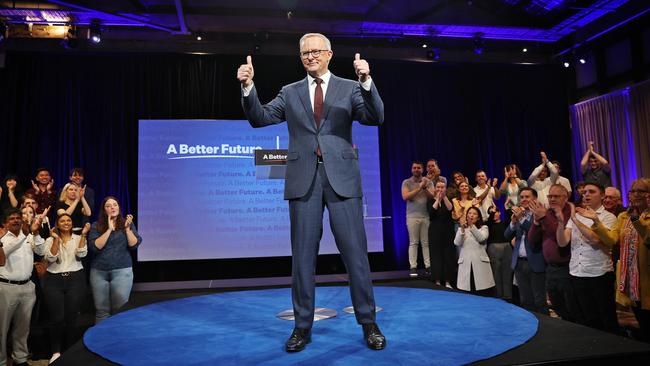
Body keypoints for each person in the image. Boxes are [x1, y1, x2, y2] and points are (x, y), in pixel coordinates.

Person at [237, 32, 385, 351]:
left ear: (330, 54)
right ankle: (302, 326)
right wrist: (248, 88)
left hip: (342, 179)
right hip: (304, 179)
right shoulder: (289, 92)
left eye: (316, 51)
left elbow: (375, 117)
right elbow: (260, 118)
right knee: (303, 258)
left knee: (356, 256)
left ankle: (369, 321)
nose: (310, 57)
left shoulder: (350, 87)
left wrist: (367, 80)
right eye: (305, 53)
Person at [579, 179, 650, 340]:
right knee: (642, 322)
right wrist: (596, 221)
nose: (635, 194)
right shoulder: (624, 216)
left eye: (641, 191)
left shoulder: (635, 217)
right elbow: (611, 239)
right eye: (632, 191)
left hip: (647, 276)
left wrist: (637, 220)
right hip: (633, 279)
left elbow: (649, 237)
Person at [556, 182, 619, 334]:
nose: (586, 195)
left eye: (591, 192)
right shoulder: (577, 216)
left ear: (602, 195)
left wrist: (575, 220)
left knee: (606, 318)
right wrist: (560, 222)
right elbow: (562, 241)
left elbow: (596, 239)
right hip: (577, 272)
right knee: (586, 317)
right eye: (584, 192)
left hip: (599, 273)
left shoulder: (608, 217)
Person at [528, 184, 581, 323]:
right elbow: (532, 239)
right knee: (556, 304)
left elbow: (561, 239)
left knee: (572, 306)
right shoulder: (547, 213)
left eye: (556, 196)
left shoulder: (572, 212)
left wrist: (544, 217)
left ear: (565, 197)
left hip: (567, 267)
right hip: (550, 268)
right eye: (550, 196)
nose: (552, 199)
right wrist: (536, 221)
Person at [0, 208, 46, 366]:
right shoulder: (3, 239)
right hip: (7, 288)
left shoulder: (28, 236)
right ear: (5, 223)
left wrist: (37, 233)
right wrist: (27, 234)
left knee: (23, 327)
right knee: (2, 329)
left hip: (27, 287)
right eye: (11, 218)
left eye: (17, 218)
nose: (15, 220)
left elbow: (41, 251)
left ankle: (20, 359)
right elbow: (4, 254)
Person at [42, 214, 90, 364]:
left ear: (72, 223)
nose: (66, 223)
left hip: (75, 279)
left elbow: (82, 253)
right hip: (54, 279)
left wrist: (83, 235)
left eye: (69, 220)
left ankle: (70, 350)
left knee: (71, 317)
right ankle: (56, 351)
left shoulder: (78, 238)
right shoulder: (49, 240)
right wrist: (56, 239)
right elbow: (50, 258)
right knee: (57, 318)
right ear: (57, 224)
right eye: (62, 221)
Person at [87, 197, 142, 323]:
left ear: (119, 208)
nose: (112, 207)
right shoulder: (96, 225)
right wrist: (109, 230)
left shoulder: (127, 224)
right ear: (104, 210)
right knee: (101, 311)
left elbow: (134, 245)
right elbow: (95, 247)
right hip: (99, 272)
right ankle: (101, 341)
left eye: (115, 205)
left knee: (120, 310)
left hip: (122, 270)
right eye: (108, 205)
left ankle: (120, 341)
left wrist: (127, 229)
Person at [506, 188, 548, 314]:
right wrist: (513, 222)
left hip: (535, 261)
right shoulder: (519, 215)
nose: (523, 199)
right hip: (519, 262)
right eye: (522, 197)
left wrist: (521, 218)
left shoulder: (540, 214)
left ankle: (546, 328)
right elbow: (507, 235)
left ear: (534, 199)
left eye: (527, 197)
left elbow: (534, 233)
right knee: (525, 299)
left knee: (539, 300)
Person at [402, 161, 434, 277]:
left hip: (425, 216)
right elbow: (405, 197)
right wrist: (419, 188)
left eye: (418, 168)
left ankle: (428, 266)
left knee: (426, 243)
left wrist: (424, 187)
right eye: (414, 168)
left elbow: (433, 197)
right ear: (411, 169)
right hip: (412, 216)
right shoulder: (406, 182)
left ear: (422, 169)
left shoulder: (428, 182)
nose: (416, 170)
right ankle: (413, 267)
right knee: (414, 242)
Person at [454, 206, 495, 295]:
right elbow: (457, 243)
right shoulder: (462, 229)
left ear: (478, 217)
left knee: (481, 291)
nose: (471, 215)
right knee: (467, 292)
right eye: (469, 213)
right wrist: (462, 229)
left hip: (479, 263)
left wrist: (472, 226)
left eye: (474, 214)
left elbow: (481, 239)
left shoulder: (484, 228)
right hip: (466, 264)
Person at [427, 180, 456, 288]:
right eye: (438, 187)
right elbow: (431, 213)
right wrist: (437, 199)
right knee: (436, 256)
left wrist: (443, 197)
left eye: (442, 187)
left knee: (448, 256)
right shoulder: (430, 201)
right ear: (434, 188)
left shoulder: (448, 200)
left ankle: (448, 281)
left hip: (448, 231)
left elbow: (450, 209)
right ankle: (437, 280)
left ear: (445, 188)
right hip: (435, 232)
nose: (440, 189)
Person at [486, 206, 512, 301]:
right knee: (495, 272)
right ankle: (498, 295)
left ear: (500, 213)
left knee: (507, 272)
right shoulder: (489, 224)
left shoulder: (505, 223)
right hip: (493, 248)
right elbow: (488, 222)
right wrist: (492, 213)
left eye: (496, 211)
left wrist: (504, 208)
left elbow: (510, 218)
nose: (494, 213)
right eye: (491, 212)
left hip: (507, 247)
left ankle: (508, 296)